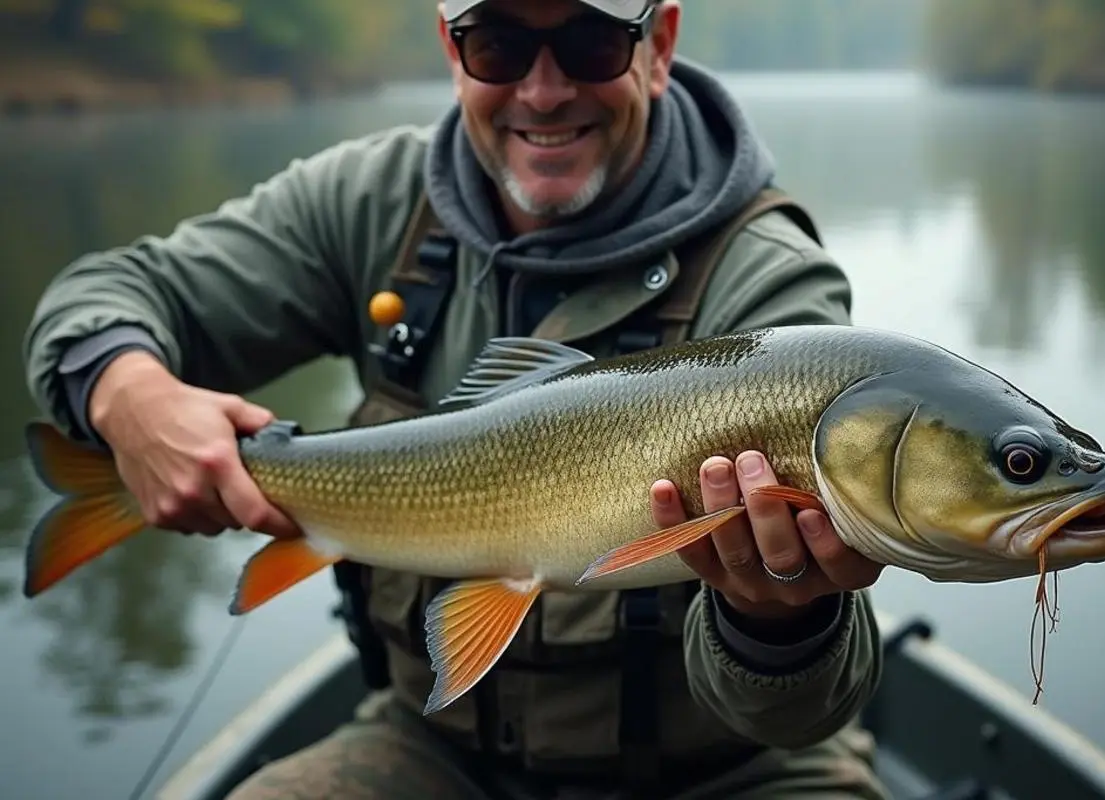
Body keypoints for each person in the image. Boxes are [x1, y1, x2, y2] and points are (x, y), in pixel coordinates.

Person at [23, 1, 890, 797]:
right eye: (499, 45)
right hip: (432, 748)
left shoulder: (775, 291)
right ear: (453, 49)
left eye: (588, 42)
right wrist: (127, 394)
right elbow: (107, 292)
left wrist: (778, 622)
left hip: (728, 773)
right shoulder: (368, 201)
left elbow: (796, 715)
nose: (542, 92)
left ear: (657, 46)